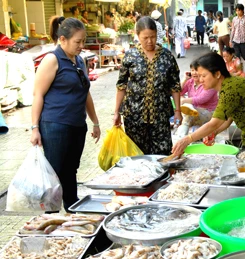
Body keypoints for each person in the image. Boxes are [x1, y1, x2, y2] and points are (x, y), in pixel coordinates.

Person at [172, 52, 245, 195]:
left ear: (217, 74)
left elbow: (214, 122)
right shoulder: (225, 88)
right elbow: (228, 119)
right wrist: (214, 133)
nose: (200, 80)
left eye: (204, 76)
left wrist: (188, 139)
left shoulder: (231, 88)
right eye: (199, 76)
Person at [30, 17, 101, 212]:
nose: (81, 45)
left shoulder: (79, 60)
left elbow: (85, 92)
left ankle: (72, 211)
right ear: (63, 40)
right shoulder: (52, 60)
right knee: (54, 173)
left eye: (83, 41)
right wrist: (34, 128)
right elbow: (38, 94)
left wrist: (95, 121)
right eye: (77, 42)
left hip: (77, 125)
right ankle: (50, 216)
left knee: (71, 171)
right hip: (55, 125)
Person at [113, 17, 181, 155]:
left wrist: (178, 110)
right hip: (134, 115)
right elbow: (122, 85)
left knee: (162, 154)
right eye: (145, 38)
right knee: (137, 156)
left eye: (153, 37)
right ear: (137, 36)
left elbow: (175, 85)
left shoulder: (167, 56)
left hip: (160, 114)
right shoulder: (130, 56)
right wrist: (116, 112)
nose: (150, 41)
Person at [176, 63, 219, 136]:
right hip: (194, 111)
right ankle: (182, 137)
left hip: (208, 112)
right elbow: (178, 92)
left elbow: (201, 99)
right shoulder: (190, 81)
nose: (194, 73)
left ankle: (180, 138)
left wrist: (183, 100)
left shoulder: (209, 82)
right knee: (187, 112)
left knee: (188, 115)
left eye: (196, 70)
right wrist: (185, 79)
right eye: (192, 70)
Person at [230, 4, 245, 74]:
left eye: (239, 10)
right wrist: (230, 40)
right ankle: (239, 71)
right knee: (237, 56)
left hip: (243, 41)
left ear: (242, 10)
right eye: (236, 11)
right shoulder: (234, 19)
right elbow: (233, 30)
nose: (237, 12)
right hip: (235, 40)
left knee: (244, 56)